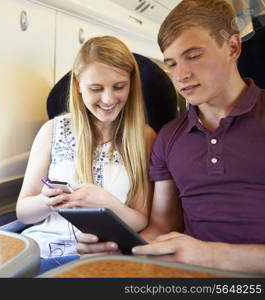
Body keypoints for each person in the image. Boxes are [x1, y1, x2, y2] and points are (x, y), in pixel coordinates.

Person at [76, 0, 265, 275]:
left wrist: (209, 255)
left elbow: (198, 253)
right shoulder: (169, 138)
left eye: (193, 56)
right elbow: (162, 228)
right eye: (171, 63)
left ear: (233, 47)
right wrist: (121, 249)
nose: (181, 75)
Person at [16, 36, 156, 274]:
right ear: (78, 85)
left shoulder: (143, 138)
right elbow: (23, 211)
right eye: (96, 89)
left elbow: (141, 219)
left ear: (131, 85)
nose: (109, 99)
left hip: (96, 260)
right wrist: (46, 201)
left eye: (119, 87)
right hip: (40, 250)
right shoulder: (52, 130)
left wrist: (107, 204)